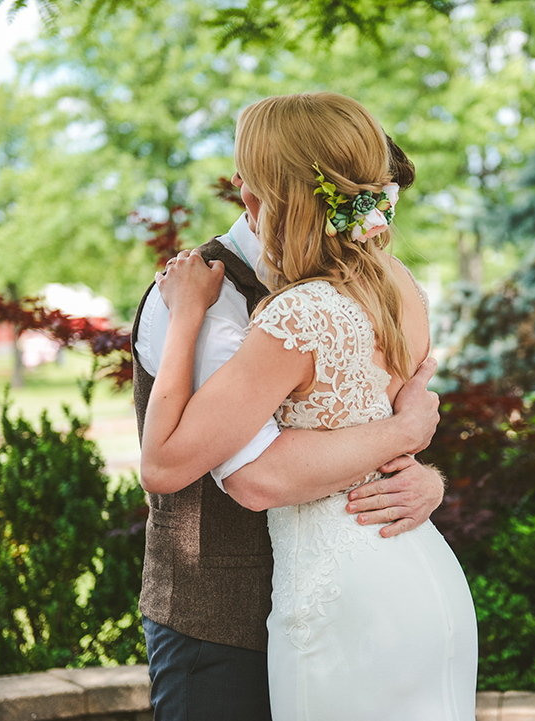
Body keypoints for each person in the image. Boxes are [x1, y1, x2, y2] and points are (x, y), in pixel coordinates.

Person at [141, 92, 477, 721]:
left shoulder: (291, 310)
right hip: (394, 578)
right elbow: (273, 468)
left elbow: (166, 464)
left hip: (340, 595)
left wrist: (420, 473)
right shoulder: (398, 282)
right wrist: (405, 435)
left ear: (253, 193)